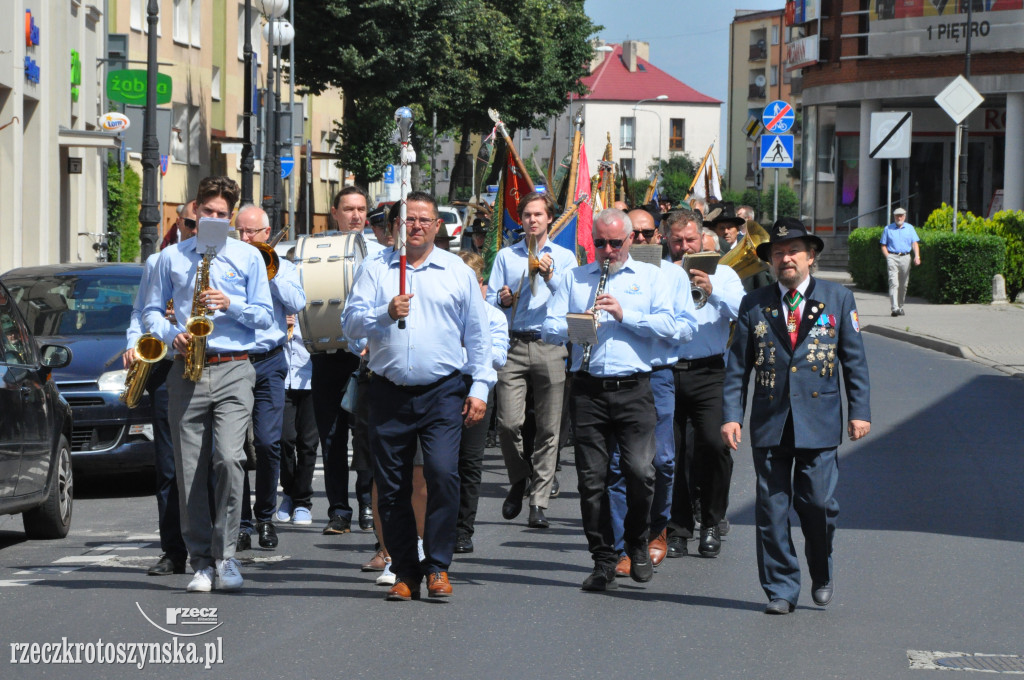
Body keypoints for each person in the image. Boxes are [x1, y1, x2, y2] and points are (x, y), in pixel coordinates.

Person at [342, 190, 495, 601]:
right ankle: (406, 570)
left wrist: (480, 387)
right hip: (389, 391)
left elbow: (478, 337)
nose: (416, 227)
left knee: (443, 474)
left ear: (437, 226)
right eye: (408, 220)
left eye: (425, 220)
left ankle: (438, 565)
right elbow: (350, 325)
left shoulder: (455, 272)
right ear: (396, 225)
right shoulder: (376, 269)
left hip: (442, 391)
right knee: (390, 486)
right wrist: (385, 313)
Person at [721, 217, 871, 615]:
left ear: (811, 256)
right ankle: (781, 589)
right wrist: (731, 415)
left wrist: (860, 412)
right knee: (771, 510)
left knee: (818, 504)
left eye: (792, 252)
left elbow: (853, 362)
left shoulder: (838, 299)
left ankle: (821, 570)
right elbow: (738, 366)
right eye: (778, 253)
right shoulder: (754, 303)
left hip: (818, 421)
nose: (785, 259)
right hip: (770, 420)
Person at [144, 176, 275, 593]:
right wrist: (170, 334)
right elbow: (148, 311)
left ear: (232, 217)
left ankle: (227, 555)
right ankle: (200, 561)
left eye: (223, 214)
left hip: (235, 366)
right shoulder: (171, 258)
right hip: (186, 368)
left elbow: (265, 316)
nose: (215, 219)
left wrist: (229, 302)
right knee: (188, 470)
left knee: (230, 459)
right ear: (196, 211)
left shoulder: (248, 257)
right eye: (209, 212)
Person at [542, 208, 678, 592]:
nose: (607, 251)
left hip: (635, 387)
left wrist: (625, 313)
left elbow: (671, 327)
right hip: (587, 389)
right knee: (592, 481)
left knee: (640, 471)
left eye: (614, 243)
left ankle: (637, 541)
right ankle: (603, 558)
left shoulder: (651, 277)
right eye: (599, 243)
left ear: (630, 240)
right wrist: (576, 323)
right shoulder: (576, 277)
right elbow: (550, 328)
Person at [488, 192, 578, 529]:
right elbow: (489, 302)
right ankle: (518, 478)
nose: (532, 220)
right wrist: (501, 299)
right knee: (508, 424)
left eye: (538, 214)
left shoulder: (566, 258)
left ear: (549, 219)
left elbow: (572, 300)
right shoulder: (506, 257)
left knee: (548, 428)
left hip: (550, 344)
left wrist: (551, 275)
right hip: (514, 344)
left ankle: (538, 502)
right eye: (526, 215)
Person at [661, 209, 744, 559]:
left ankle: (711, 521)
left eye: (690, 240)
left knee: (714, 446)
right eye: (677, 240)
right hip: (667, 370)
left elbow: (744, 313)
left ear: (701, 239)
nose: (684, 246)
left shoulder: (724, 273)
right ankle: (678, 527)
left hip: (710, 372)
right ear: (667, 240)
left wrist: (713, 293)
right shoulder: (658, 274)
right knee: (672, 453)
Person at [126, 200, 196, 576]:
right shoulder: (161, 261)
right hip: (170, 366)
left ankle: (221, 543)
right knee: (169, 467)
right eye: (190, 222)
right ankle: (173, 550)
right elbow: (141, 311)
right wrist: (134, 341)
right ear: (178, 223)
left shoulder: (230, 260)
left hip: (214, 366)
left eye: (208, 222)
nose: (197, 228)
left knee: (218, 462)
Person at [234, 205, 306, 551]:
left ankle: (264, 517)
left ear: (267, 233)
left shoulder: (284, 266)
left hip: (269, 361)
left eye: (252, 232)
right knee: (232, 449)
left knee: (266, 443)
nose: (245, 239)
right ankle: (241, 522)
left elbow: (298, 302)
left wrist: (270, 273)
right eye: (240, 232)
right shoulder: (227, 266)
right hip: (233, 361)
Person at [313, 186, 374, 535]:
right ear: (334, 213)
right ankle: (339, 510)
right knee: (332, 436)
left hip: (367, 357)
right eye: (348, 209)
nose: (356, 215)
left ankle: (368, 503)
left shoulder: (381, 254)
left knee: (366, 436)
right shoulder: (315, 251)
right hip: (328, 355)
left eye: (361, 209)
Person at [455, 250, 509, 553]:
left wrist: (467, 347)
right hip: (445, 386)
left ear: (480, 284)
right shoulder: (443, 311)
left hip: (477, 384)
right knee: (439, 462)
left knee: (470, 462)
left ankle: (463, 529)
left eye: (470, 283)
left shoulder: (494, 316)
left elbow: (496, 357)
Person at [879, 207, 920, 317]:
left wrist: (917, 256)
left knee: (903, 285)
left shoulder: (910, 228)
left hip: (906, 257)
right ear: (894, 217)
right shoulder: (888, 229)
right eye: (897, 215)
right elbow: (883, 245)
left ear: (905, 216)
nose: (899, 217)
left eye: (901, 215)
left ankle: (900, 306)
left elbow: (915, 243)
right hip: (892, 257)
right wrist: (888, 257)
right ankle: (894, 308)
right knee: (894, 283)